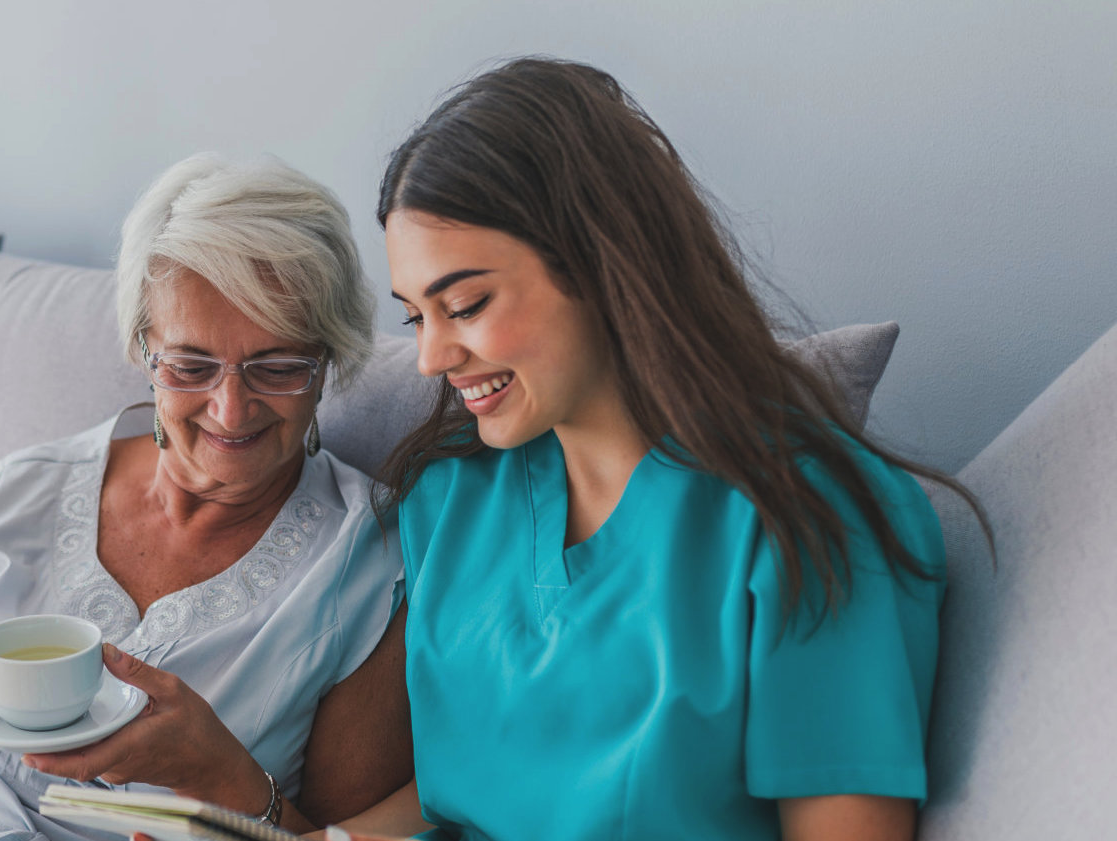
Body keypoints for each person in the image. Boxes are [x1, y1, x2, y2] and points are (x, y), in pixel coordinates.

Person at [331, 58, 988, 841]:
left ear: (603, 265)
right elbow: (452, 798)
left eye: (465, 305)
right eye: (414, 316)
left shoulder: (809, 515)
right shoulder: (449, 500)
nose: (433, 357)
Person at [0, 153, 411, 841]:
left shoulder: (366, 563)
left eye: (278, 367)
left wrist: (221, 775)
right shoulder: (31, 488)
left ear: (327, 363)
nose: (231, 410)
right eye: (190, 366)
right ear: (144, 351)